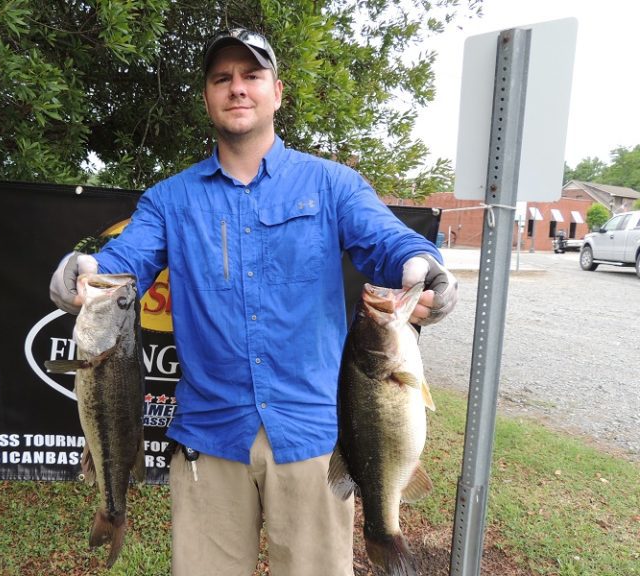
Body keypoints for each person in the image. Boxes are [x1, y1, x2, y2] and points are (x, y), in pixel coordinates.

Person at [50, 28, 458, 576]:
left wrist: (423, 269)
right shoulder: (169, 199)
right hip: (210, 437)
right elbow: (124, 261)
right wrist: (82, 270)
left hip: (314, 436)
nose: (237, 88)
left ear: (277, 92)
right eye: (222, 78)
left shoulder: (334, 185)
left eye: (251, 76)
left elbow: (390, 243)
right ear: (207, 97)